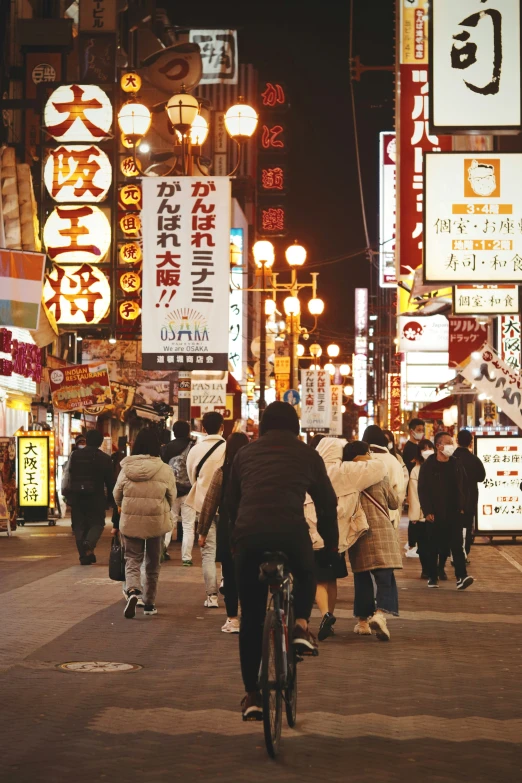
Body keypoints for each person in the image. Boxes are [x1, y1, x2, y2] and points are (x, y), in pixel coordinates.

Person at [226, 401, 338, 720]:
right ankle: (301, 626)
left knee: (251, 619)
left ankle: (253, 695)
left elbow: (231, 502)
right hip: (290, 531)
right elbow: (327, 504)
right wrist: (330, 545)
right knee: (306, 571)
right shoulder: (307, 454)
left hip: (249, 534)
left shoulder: (244, 454)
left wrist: (237, 540)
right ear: (295, 428)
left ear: (262, 426)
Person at [305, 437, 386, 641]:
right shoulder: (347, 471)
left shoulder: (310, 472)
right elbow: (379, 467)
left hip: (312, 535)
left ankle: (326, 614)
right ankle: (328, 618)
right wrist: (360, 457)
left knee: (317, 579)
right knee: (331, 579)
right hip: (336, 537)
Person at [113, 428, 176, 618]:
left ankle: (133, 591)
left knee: (132, 558)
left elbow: (117, 494)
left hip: (131, 520)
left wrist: (123, 506)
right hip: (156, 520)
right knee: (153, 563)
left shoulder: (126, 468)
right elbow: (171, 495)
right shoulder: (164, 469)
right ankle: (149, 603)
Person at [344, 441, 402, 641]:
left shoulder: (346, 475)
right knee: (385, 577)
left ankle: (362, 623)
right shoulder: (378, 473)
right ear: (366, 453)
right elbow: (394, 503)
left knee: (362, 579)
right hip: (381, 531)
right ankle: (380, 614)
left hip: (358, 532)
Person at [198, 432, 249, 634]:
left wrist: (202, 531)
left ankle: (232, 618)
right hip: (251, 529)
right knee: (248, 573)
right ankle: (249, 615)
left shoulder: (223, 471)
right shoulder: (254, 472)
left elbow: (210, 503)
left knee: (229, 574)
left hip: (229, 529)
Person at [418, 431, 473, 590]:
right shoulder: (428, 465)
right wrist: (427, 510)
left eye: (452, 442)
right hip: (435, 512)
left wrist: (463, 506)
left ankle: (461, 577)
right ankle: (433, 577)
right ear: (438, 446)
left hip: (454, 511)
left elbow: (465, 486)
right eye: (447, 443)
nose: (451, 446)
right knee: (434, 546)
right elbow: (422, 489)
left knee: (457, 546)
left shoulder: (456, 463)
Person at [186, 411, 226, 607]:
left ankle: (211, 596)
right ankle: (226, 582)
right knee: (227, 549)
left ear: (203, 428)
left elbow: (191, 476)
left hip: (203, 505)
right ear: (222, 427)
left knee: (208, 552)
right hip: (226, 506)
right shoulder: (229, 448)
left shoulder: (195, 450)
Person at [67, 429, 114, 565]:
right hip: (96, 497)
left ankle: (85, 556)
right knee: (97, 524)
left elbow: (68, 475)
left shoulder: (75, 455)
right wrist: (112, 499)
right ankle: (89, 543)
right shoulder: (105, 458)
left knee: (79, 526)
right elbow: (110, 481)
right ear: (100, 442)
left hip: (77, 497)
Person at [161, 420, 195, 565]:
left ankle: (162, 550)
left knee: (169, 522)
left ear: (174, 432)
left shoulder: (166, 448)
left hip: (171, 490)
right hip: (189, 491)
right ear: (188, 431)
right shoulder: (193, 447)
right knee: (188, 525)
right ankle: (186, 558)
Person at [362, 424, 405, 529]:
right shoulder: (393, 460)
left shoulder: (362, 459)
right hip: (388, 514)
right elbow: (399, 489)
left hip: (364, 516)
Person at [454, 429, 486, 557]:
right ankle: (464, 552)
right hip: (470, 497)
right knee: (467, 526)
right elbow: (481, 477)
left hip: (453, 498)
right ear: (471, 442)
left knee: (454, 525)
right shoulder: (474, 460)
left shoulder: (451, 458)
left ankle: (453, 551)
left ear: (456, 441)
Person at [407, 438, 435, 579]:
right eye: (424, 449)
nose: (427, 451)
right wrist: (415, 516)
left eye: (430, 448)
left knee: (435, 544)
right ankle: (426, 569)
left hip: (438, 514)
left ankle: (435, 569)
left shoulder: (439, 467)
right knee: (423, 545)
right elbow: (414, 495)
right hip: (423, 516)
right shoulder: (416, 470)